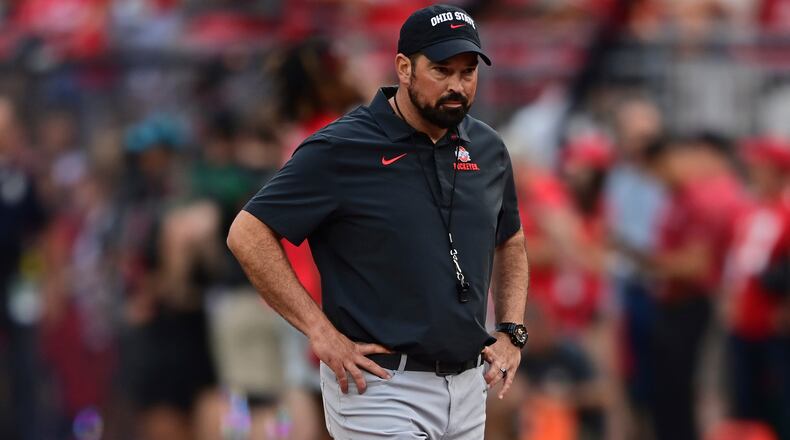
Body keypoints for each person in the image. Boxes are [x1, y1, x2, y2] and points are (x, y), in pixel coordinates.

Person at [227, 4, 529, 439]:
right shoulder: (342, 146)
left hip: (467, 387)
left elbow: (511, 239)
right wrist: (319, 331)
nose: (457, 85)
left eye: (467, 72)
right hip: (380, 385)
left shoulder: (488, 147)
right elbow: (247, 232)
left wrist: (512, 330)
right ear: (404, 68)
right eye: (441, 70)